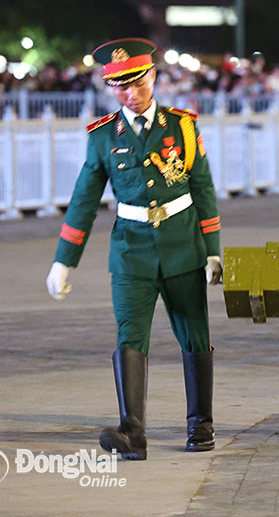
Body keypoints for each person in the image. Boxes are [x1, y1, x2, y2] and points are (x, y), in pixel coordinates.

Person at [45, 37, 223, 460]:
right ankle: (132, 433)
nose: (132, 94)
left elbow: (203, 189)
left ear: (153, 76)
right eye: (121, 87)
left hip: (182, 246)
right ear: (111, 88)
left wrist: (213, 251)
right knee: (130, 336)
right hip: (131, 250)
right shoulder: (103, 136)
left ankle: (201, 424)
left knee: (195, 334)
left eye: (138, 83)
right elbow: (84, 200)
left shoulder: (182, 126)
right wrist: (63, 260)